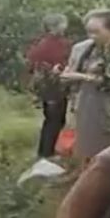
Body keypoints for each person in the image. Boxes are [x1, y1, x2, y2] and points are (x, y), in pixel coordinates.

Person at [59, 9, 110, 163]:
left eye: (96, 32)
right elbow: (73, 71)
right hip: (87, 104)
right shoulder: (84, 49)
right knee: (87, 148)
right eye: (89, 32)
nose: (92, 36)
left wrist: (83, 77)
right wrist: (66, 76)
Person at [26, 13, 74, 160]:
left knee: (54, 119)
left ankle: (47, 150)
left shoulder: (42, 42)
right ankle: (47, 153)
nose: (65, 26)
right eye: (63, 23)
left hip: (49, 87)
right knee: (55, 120)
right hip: (54, 87)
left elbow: (31, 62)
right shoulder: (56, 44)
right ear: (56, 26)